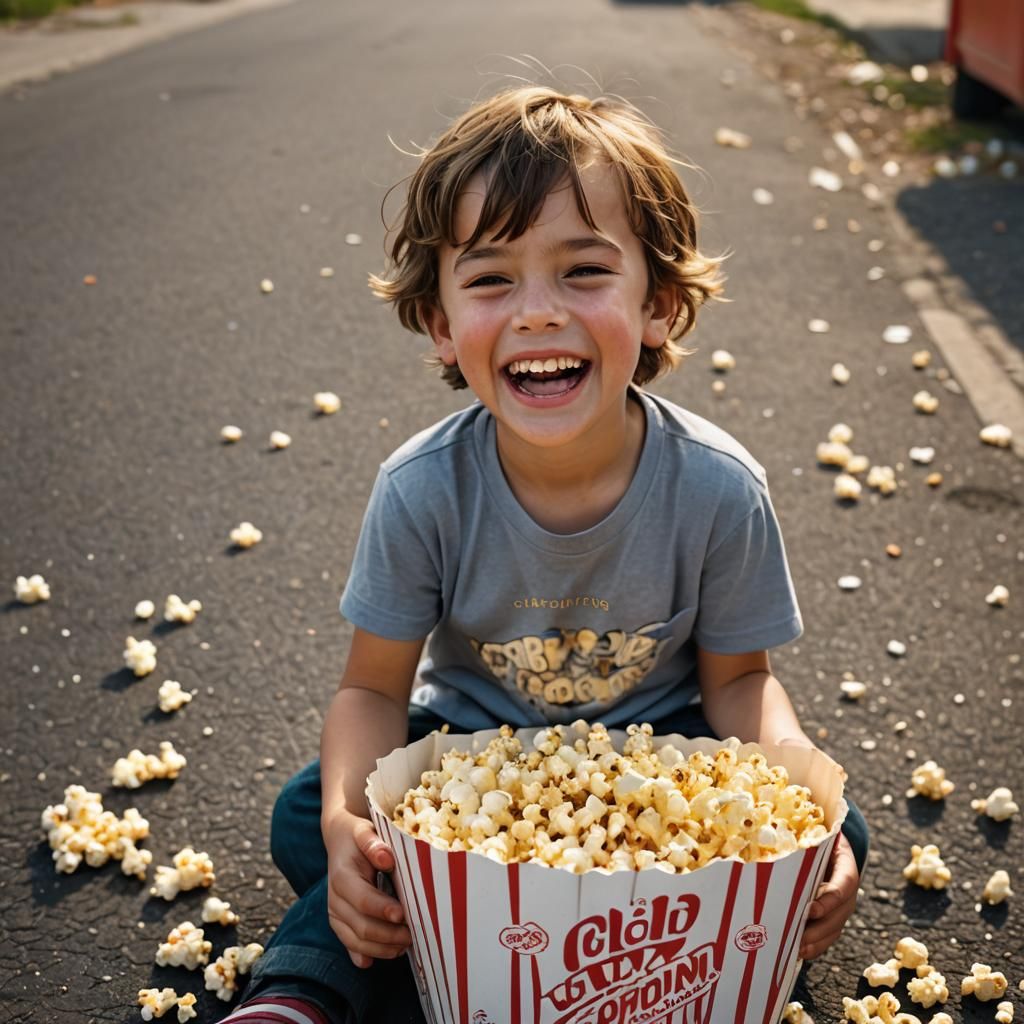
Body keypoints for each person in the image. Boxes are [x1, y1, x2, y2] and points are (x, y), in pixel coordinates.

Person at [224, 85, 868, 1024]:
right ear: (441, 323)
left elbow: (739, 683)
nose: (535, 313)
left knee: (836, 825)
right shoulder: (422, 490)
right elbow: (370, 691)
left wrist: (796, 786)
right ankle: (301, 991)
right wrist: (342, 829)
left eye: (584, 271)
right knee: (309, 816)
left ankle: (730, 977)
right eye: (490, 280)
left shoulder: (720, 489)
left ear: (662, 306)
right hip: (465, 770)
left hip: (664, 767)